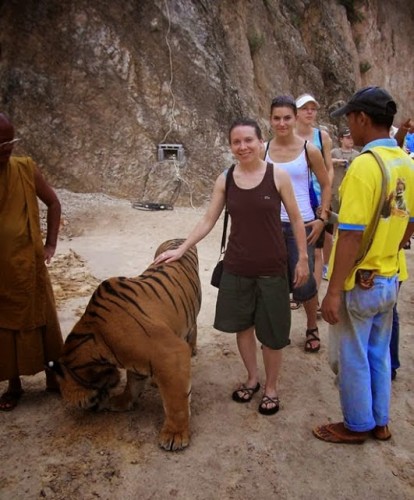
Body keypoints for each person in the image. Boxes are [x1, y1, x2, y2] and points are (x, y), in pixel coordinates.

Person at [154, 118, 309, 415]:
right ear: (231, 146)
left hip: (273, 268)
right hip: (237, 267)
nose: (243, 146)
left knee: (273, 334)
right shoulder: (225, 179)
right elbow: (208, 220)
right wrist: (181, 249)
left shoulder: (278, 177)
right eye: (236, 142)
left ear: (261, 142)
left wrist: (302, 257)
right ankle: (252, 378)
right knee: (243, 327)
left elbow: (297, 219)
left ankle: (271, 387)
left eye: (248, 140)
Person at [314, 86, 414, 444]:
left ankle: (357, 425)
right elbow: (409, 222)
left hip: (362, 282)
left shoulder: (363, 167)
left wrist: (333, 291)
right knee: (379, 351)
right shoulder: (406, 161)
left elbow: (351, 237)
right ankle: (381, 420)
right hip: (390, 277)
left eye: (351, 120)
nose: (350, 129)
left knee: (352, 355)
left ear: (362, 119)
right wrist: (392, 246)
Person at [0, 113, 63, 411]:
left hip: (30, 266)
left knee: (43, 324)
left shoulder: (25, 169)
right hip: (1, 272)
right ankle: (14, 385)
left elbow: (53, 202)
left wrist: (50, 244)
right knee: (6, 327)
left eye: (9, 142)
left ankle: (53, 377)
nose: (5, 149)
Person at [264, 95, 331, 352]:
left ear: (294, 119)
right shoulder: (264, 150)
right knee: (275, 281)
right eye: (277, 118)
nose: (282, 123)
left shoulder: (308, 150)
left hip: (301, 225)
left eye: (287, 118)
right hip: (271, 226)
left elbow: (325, 184)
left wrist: (322, 218)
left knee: (304, 282)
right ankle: (280, 329)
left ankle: (312, 326)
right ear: (270, 119)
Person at [295, 94, 334, 291]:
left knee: (317, 250)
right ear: (297, 112)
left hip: (318, 198)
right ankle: (298, 289)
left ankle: (313, 294)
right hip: (294, 198)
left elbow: (329, 167)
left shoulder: (322, 136)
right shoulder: (288, 136)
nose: (310, 112)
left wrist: (327, 191)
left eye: (313, 108)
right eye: (305, 108)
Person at [330, 127, 359, 214]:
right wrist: (337, 161)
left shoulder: (357, 155)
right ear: (341, 139)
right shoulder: (334, 152)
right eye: (348, 138)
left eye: (352, 137)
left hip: (351, 191)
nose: (351, 140)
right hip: (335, 190)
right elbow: (324, 162)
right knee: (335, 216)